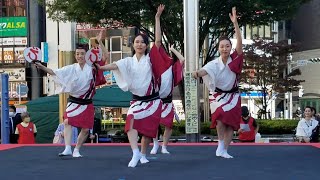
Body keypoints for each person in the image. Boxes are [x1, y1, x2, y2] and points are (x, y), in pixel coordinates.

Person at [97, 4, 165, 168]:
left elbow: (158, 41)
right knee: (130, 124)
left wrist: (157, 18)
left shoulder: (151, 59)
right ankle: (135, 153)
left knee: (147, 132)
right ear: (133, 44)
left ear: (146, 45)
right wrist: (100, 67)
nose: (140, 44)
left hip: (153, 101)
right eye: (137, 42)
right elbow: (114, 66)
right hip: (137, 101)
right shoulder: (128, 61)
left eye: (143, 42)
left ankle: (142, 154)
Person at [34, 43, 106, 157]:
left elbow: (104, 56)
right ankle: (67, 148)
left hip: (87, 102)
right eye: (77, 54)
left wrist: (100, 41)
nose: (79, 56)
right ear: (75, 55)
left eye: (82, 54)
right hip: (73, 101)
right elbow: (55, 72)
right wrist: (42, 67)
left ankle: (76, 149)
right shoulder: (72, 68)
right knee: (67, 122)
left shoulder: (92, 68)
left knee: (86, 129)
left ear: (87, 55)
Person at [192, 7, 243, 158]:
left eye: (227, 46)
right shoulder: (214, 63)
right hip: (219, 95)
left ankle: (225, 150)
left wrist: (235, 24)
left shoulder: (235, 58)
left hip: (233, 96)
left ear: (230, 47)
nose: (225, 48)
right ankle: (220, 143)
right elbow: (204, 71)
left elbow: (240, 42)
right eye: (222, 46)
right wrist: (196, 73)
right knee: (220, 118)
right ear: (218, 48)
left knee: (231, 125)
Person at [150, 39, 185, 154]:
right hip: (156, 100)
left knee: (169, 125)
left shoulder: (172, 67)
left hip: (168, 101)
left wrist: (173, 50)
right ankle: (155, 144)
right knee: (154, 124)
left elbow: (182, 60)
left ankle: (164, 147)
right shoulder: (153, 66)